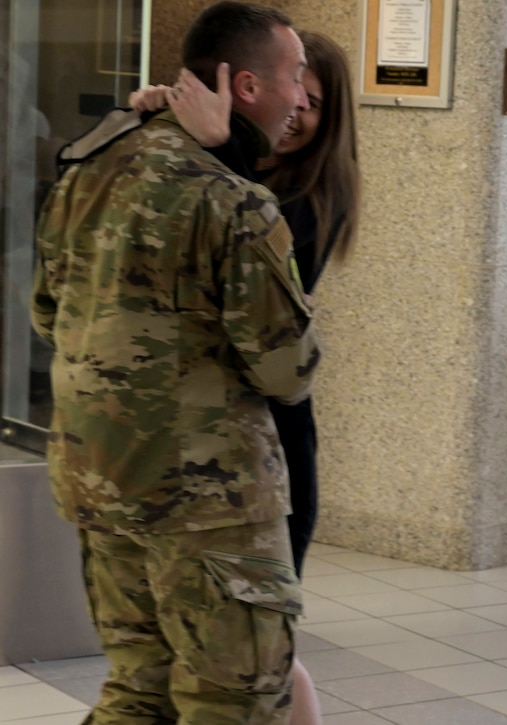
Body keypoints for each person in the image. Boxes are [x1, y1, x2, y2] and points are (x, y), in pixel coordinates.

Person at [30, 3, 317, 723]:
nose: (302, 99)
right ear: (245, 86)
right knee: (232, 702)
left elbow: (46, 313)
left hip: (101, 479)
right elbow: (288, 370)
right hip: (209, 502)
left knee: (137, 691)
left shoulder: (85, 172)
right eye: (296, 78)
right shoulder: (235, 201)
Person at [130, 28, 360, 725]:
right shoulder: (231, 170)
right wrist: (159, 126)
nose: (296, 112)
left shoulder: (307, 196)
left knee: (259, 654)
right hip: (201, 454)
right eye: (292, 91)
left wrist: (211, 143)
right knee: (223, 654)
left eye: (312, 100)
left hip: (270, 455)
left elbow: (241, 231)